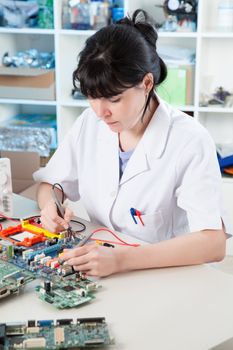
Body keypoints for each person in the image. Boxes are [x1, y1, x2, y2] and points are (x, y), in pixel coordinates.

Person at [33, 9, 230, 277]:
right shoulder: (89, 124)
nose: (101, 112)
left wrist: (122, 259)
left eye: (113, 99)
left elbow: (213, 243)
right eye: (92, 97)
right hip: (103, 267)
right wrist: (50, 207)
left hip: (168, 276)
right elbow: (50, 184)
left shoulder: (189, 141)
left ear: (146, 83)